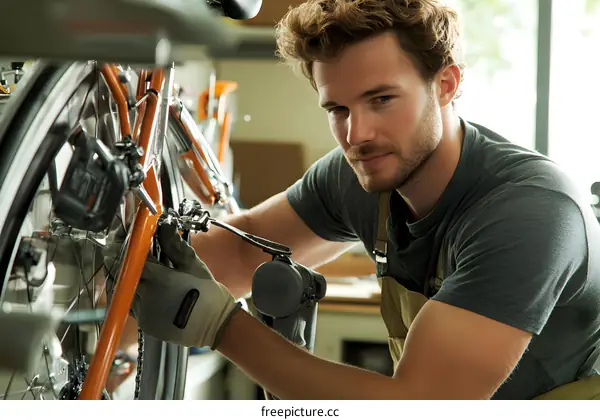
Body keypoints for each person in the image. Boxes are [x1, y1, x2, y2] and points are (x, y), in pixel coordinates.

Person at [126, 0, 600, 399]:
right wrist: (113, 329)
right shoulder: (364, 171)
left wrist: (219, 327)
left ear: (447, 84)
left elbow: (419, 404)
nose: (357, 134)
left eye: (382, 100)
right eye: (337, 109)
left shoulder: (530, 212)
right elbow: (237, 252)